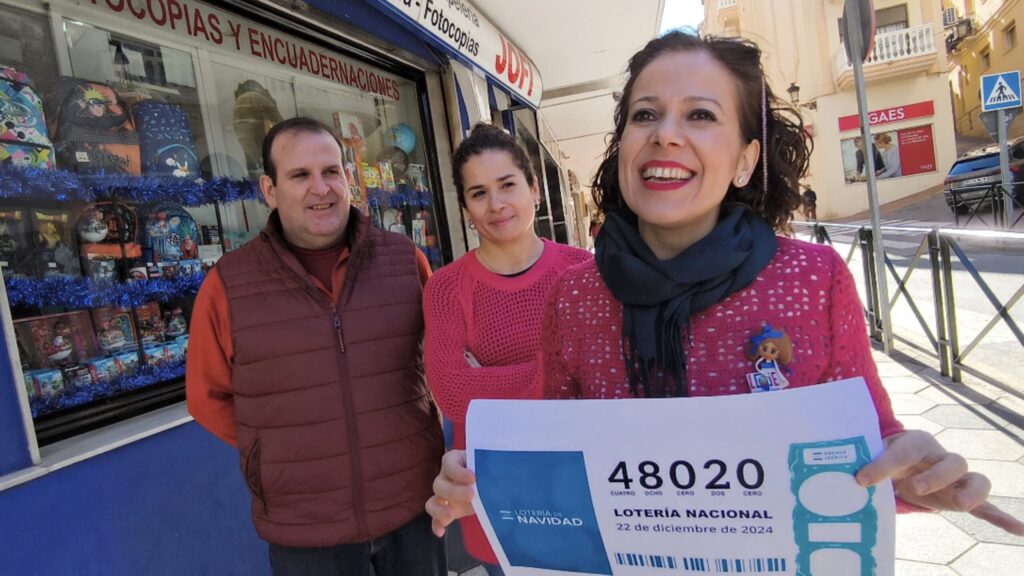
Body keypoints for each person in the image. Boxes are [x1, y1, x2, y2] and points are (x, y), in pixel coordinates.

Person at [425, 31, 1024, 543]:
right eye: (645, 114)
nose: (666, 134)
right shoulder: (575, 297)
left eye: (701, 115)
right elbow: (558, 455)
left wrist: (914, 479)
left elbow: (868, 444)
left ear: (744, 159)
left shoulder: (813, 280)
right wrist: (488, 482)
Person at [186, 117, 446, 576]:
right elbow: (207, 398)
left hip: (413, 506)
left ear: (348, 178)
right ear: (269, 190)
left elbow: (442, 363)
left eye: (330, 171)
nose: (320, 188)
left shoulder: (405, 261)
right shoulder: (227, 285)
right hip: (305, 527)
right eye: (300, 175)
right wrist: (271, 449)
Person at [422, 123, 591, 576]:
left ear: (534, 188)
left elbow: (600, 380)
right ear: (465, 208)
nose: (496, 204)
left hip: (580, 477)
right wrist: (556, 370)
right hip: (496, 488)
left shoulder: (584, 271)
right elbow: (453, 393)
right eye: (478, 193)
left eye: (507, 185)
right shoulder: (446, 288)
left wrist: (489, 380)